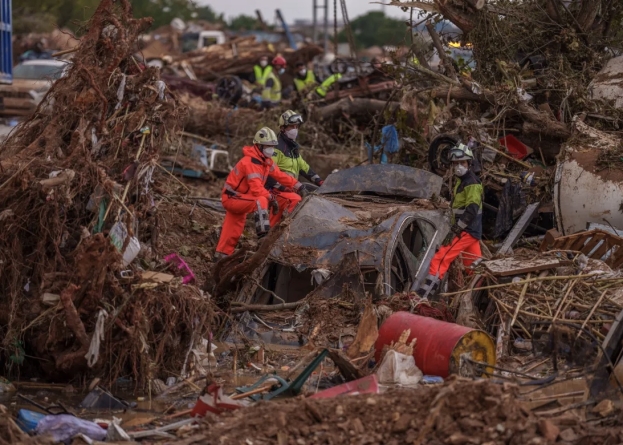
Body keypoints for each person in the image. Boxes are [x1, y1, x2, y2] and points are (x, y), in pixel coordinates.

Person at [215, 127, 307, 259]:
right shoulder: (251, 163)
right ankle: (263, 238)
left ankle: (221, 256)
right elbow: (257, 189)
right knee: (261, 200)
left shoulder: (265, 161)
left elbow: (280, 176)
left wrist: (298, 186)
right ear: (259, 146)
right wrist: (271, 198)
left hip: (241, 197)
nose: (271, 149)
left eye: (272, 146)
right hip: (232, 198)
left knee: (232, 229)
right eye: (268, 146)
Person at [416, 143, 483, 298]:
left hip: (466, 230)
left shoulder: (471, 183)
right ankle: (480, 296)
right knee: (474, 267)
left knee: (441, 258)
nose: (459, 166)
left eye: (463, 163)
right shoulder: (462, 180)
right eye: (456, 164)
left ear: (469, 163)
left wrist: (456, 230)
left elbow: (471, 210)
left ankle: (423, 296)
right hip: (472, 231)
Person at [265, 110, 324, 225]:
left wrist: (320, 181)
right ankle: (285, 230)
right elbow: (269, 172)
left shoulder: (293, 149)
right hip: (277, 190)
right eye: (292, 126)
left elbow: (305, 168)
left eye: (296, 126)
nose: (295, 129)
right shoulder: (277, 148)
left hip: (291, 188)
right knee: (295, 202)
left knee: (311, 193)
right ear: (283, 128)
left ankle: (275, 233)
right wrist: (283, 188)